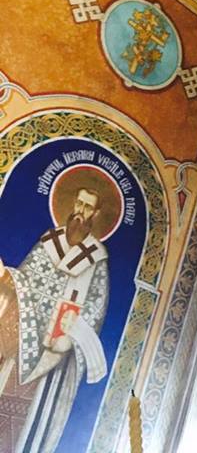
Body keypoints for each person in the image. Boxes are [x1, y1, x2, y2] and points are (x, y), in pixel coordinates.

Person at [0, 187, 109, 453]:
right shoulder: (48, 242)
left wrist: (70, 336)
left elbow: (95, 309)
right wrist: (6, 276)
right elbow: (24, 281)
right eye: (79, 203)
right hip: (22, 342)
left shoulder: (96, 258)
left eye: (88, 207)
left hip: (52, 358)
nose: (80, 212)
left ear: (95, 214)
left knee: (31, 420)